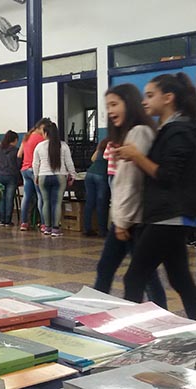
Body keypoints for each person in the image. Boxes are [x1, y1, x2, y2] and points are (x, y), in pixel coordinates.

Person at [115, 73, 196, 319]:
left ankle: (129, 334)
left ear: (168, 98)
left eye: (150, 95)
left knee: (134, 277)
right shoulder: (169, 129)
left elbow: (168, 175)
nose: (144, 101)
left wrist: (138, 156)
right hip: (168, 216)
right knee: (180, 279)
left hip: (169, 216)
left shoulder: (179, 131)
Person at [93, 84, 166, 307]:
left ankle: (160, 318)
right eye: (107, 106)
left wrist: (122, 221)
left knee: (142, 277)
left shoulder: (139, 132)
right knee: (123, 272)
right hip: (128, 218)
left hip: (133, 220)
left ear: (130, 103)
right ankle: (95, 312)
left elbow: (132, 182)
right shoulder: (130, 134)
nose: (110, 111)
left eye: (115, 104)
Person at [32, 121, 76, 237]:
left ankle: (47, 227)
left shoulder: (39, 146)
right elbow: (69, 163)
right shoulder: (63, 145)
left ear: (46, 133)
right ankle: (55, 229)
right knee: (56, 203)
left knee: (46, 202)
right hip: (60, 176)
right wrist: (73, 175)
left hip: (43, 176)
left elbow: (35, 164)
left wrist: (36, 176)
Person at [17, 118, 52, 231]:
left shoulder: (26, 137)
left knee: (26, 197)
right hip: (35, 170)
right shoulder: (41, 139)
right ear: (41, 127)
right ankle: (43, 224)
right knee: (41, 197)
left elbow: (19, 154)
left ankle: (24, 223)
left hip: (25, 170)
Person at [83, 138, 110, 237]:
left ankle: (87, 228)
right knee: (101, 203)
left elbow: (92, 159)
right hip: (102, 175)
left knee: (89, 202)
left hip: (90, 173)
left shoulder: (101, 148)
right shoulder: (113, 146)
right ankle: (102, 230)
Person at [0, 131, 20, 226]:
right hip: (11, 176)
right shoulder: (16, 150)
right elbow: (18, 164)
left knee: (1, 199)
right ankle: (8, 220)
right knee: (9, 198)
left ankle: (1, 220)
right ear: (14, 140)